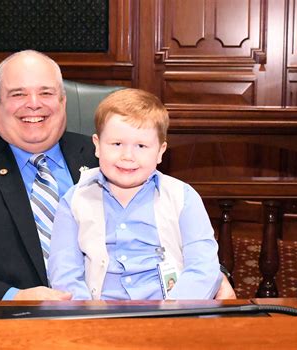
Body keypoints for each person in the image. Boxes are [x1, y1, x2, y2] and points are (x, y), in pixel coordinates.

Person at [0, 50, 236, 300]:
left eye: (46, 93)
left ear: (62, 101)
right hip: (9, 324)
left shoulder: (114, 155)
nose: (34, 104)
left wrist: (213, 277)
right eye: (18, 94)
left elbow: (163, 221)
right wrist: (13, 296)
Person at [48, 88, 223, 300]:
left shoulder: (183, 198)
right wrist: (86, 312)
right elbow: (64, 272)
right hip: (98, 316)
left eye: (141, 146)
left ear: (160, 151)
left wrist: (175, 311)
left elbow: (203, 267)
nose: (128, 156)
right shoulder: (75, 200)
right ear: (97, 146)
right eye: (116, 144)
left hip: (172, 312)